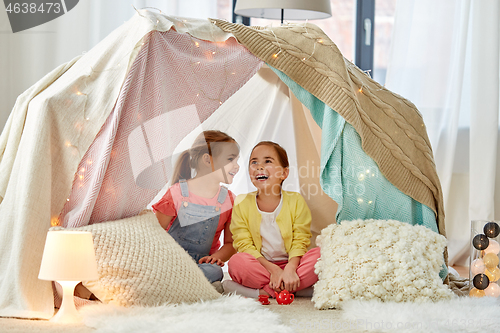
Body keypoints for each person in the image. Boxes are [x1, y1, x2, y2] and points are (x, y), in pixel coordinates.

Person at [224, 141, 320, 298]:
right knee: (236, 262)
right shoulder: (241, 202)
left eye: (267, 161)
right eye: (254, 162)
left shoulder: (296, 200)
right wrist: (274, 270)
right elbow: (244, 244)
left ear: (284, 173)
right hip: (261, 266)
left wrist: (290, 269)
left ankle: (266, 291)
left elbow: (300, 240)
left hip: (293, 265)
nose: (259, 166)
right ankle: (294, 289)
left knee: (321, 255)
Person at [152, 130, 240, 291]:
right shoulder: (176, 193)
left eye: (236, 160)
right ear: (207, 160)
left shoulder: (229, 200)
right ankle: (188, 285)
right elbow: (154, 234)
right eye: (230, 159)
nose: (237, 166)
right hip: (169, 260)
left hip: (201, 265)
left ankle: (177, 284)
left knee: (215, 271)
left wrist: (215, 259)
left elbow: (230, 243)